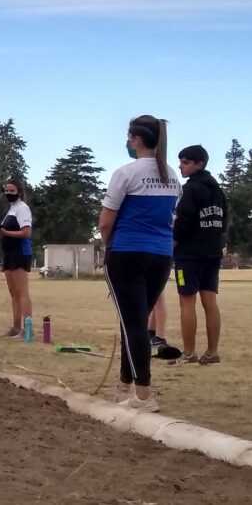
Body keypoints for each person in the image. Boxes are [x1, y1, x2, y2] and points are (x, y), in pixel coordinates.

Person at [99, 115, 180, 413]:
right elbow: (172, 220)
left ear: (135, 139)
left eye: (129, 136)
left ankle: (143, 395)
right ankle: (125, 385)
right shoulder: (172, 175)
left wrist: (110, 247)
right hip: (160, 257)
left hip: (127, 253)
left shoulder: (125, 174)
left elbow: (106, 222)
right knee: (133, 321)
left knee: (133, 324)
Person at [171, 145, 227, 365]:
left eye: (185, 162)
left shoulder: (190, 189)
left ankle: (189, 353)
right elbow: (224, 223)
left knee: (187, 302)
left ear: (199, 164)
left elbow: (182, 223)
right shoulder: (218, 191)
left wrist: (172, 245)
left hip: (188, 256)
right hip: (212, 254)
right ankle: (212, 352)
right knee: (210, 301)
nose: (181, 166)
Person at [0, 179, 34, 338]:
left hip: (19, 252)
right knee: (13, 293)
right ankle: (16, 327)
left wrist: (5, 233)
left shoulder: (22, 208)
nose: (8, 193)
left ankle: (28, 331)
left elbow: (26, 233)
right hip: (8, 253)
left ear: (19, 192)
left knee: (22, 291)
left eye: (11, 191)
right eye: (6, 191)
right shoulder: (11, 210)